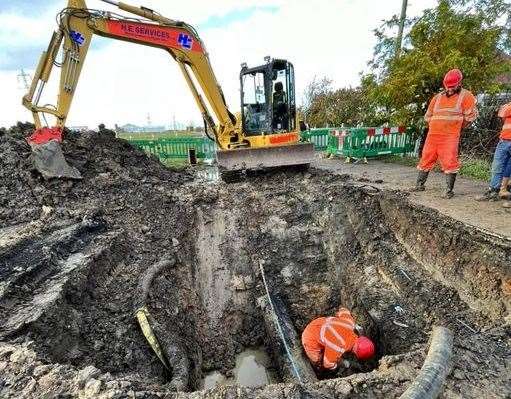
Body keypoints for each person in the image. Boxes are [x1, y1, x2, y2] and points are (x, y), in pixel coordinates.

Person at [412, 69, 478, 198]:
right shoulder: (437, 98)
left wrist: (458, 127)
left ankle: (449, 190)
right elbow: (428, 116)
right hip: (433, 135)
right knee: (426, 158)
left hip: (450, 136)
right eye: (448, 87)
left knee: (450, 161)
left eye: (453, 87)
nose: (450, 90)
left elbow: (470, 117)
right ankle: (419, 185)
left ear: (459, 83)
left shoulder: (466, 96)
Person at [301, 307, 375, 372]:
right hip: (309, 337)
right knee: (317, 361)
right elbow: (328, 364)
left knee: (329, 344)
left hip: (318, 322)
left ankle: (325, 344)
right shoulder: (338, 347)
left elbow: (344, 310)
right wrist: (344, 363)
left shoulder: (350, 324)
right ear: (355, 353)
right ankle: (318, 370)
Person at [476, 102, 511, 201]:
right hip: (504, 140)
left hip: (505, 141)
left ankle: (500, 190)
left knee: (505, 167)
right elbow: (502, 112)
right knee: (498, 166)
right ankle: (494, 191)